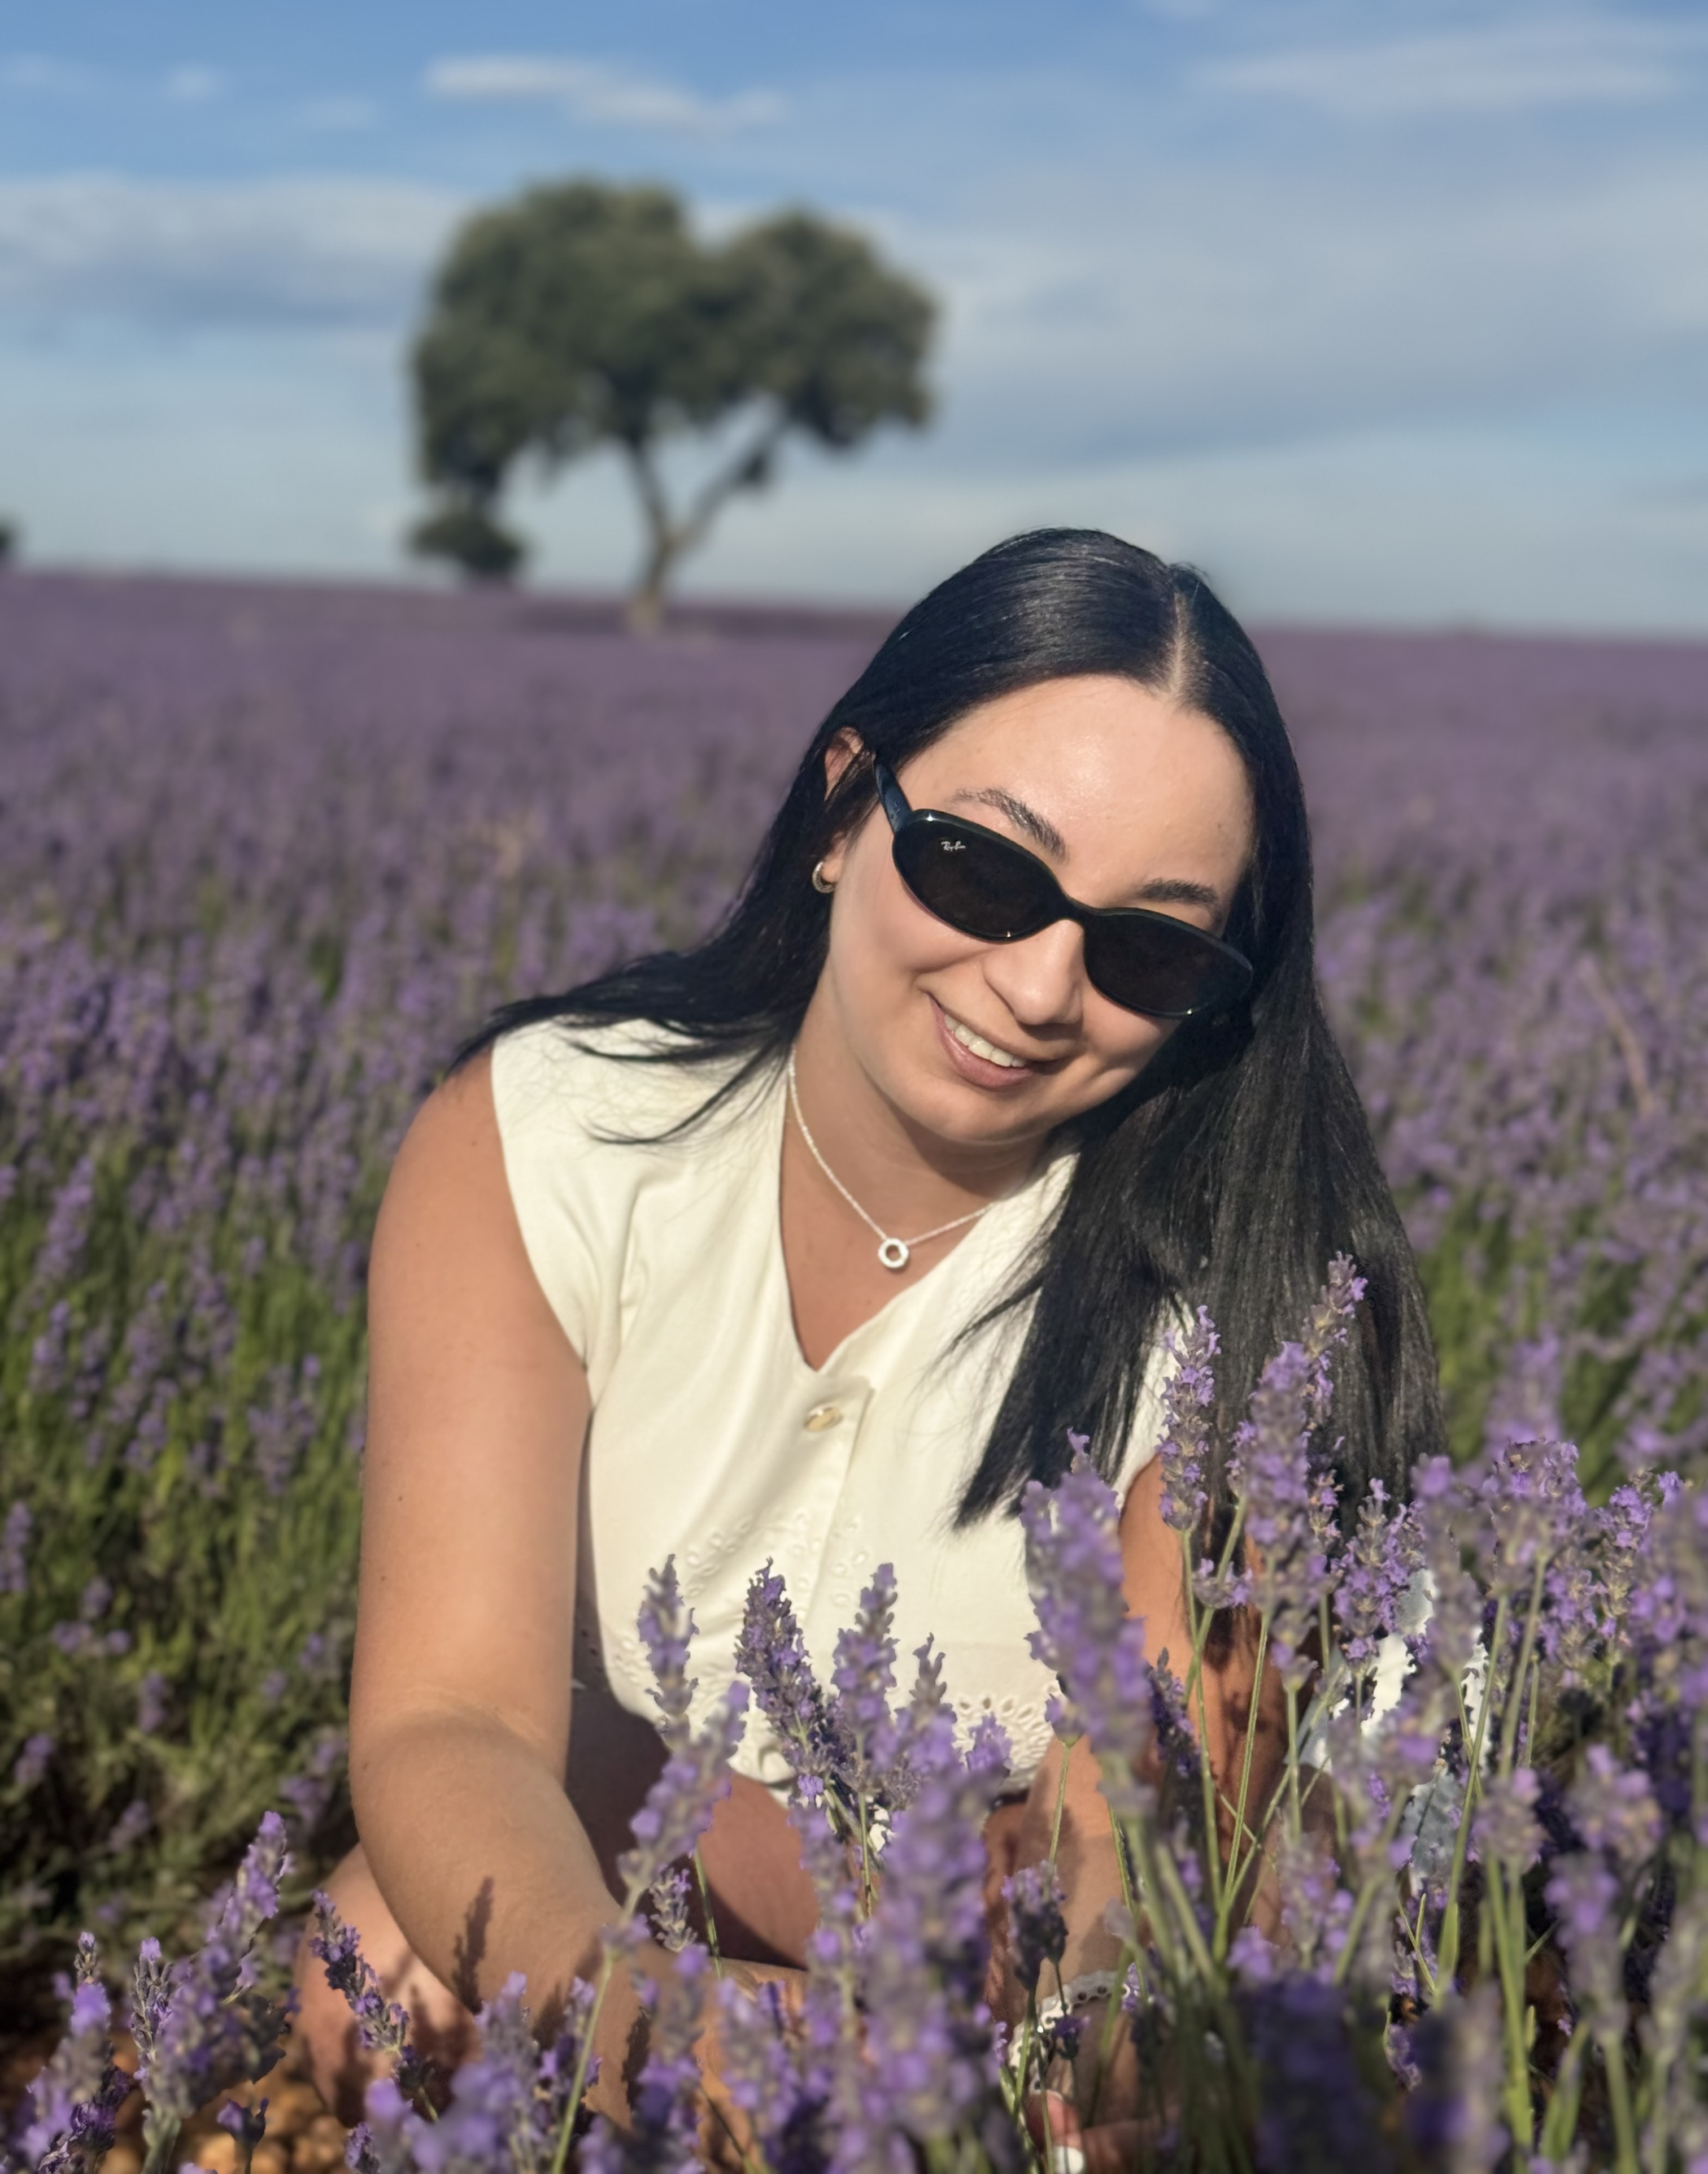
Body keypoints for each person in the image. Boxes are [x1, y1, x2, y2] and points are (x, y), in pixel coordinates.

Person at [294, 528, 1442, 2143]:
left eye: (1147, 948)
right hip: (721, 1857)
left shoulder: (1237, 1309)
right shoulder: (553, 1139)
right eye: (984, 871)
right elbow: (452, 1722)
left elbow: (1136, 1865)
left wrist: (1000, 2061)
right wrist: (660, 2034)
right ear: (848, 807)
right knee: (385, 1972)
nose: (1039, 987)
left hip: (1087, 1924)